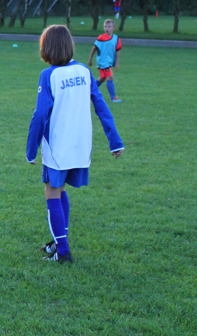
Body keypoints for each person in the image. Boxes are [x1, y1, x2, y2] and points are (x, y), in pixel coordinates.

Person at [27, 25, 124, 263]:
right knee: (60, 190)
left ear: (46, 48)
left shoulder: (49, 75)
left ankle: (63, 251)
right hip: (80, 144)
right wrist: (115, 141)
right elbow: (101, 106)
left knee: (52, 190)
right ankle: (59, 242)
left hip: (58, 144)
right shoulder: (83, 71)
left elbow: (40, 115)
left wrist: (31, 149)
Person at [86, 19, 122, 102]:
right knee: (110, 76)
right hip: (102, 62)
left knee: (102, 78)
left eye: (109, 26)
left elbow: (118, 51)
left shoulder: (116, 39)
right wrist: (90, 59)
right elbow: (94, 48)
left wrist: (117, 63)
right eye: (105, 26)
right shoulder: (101, 38)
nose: (107, 28)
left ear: (113, 28)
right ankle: (113, 97)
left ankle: (88, 90)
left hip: (109, 62)